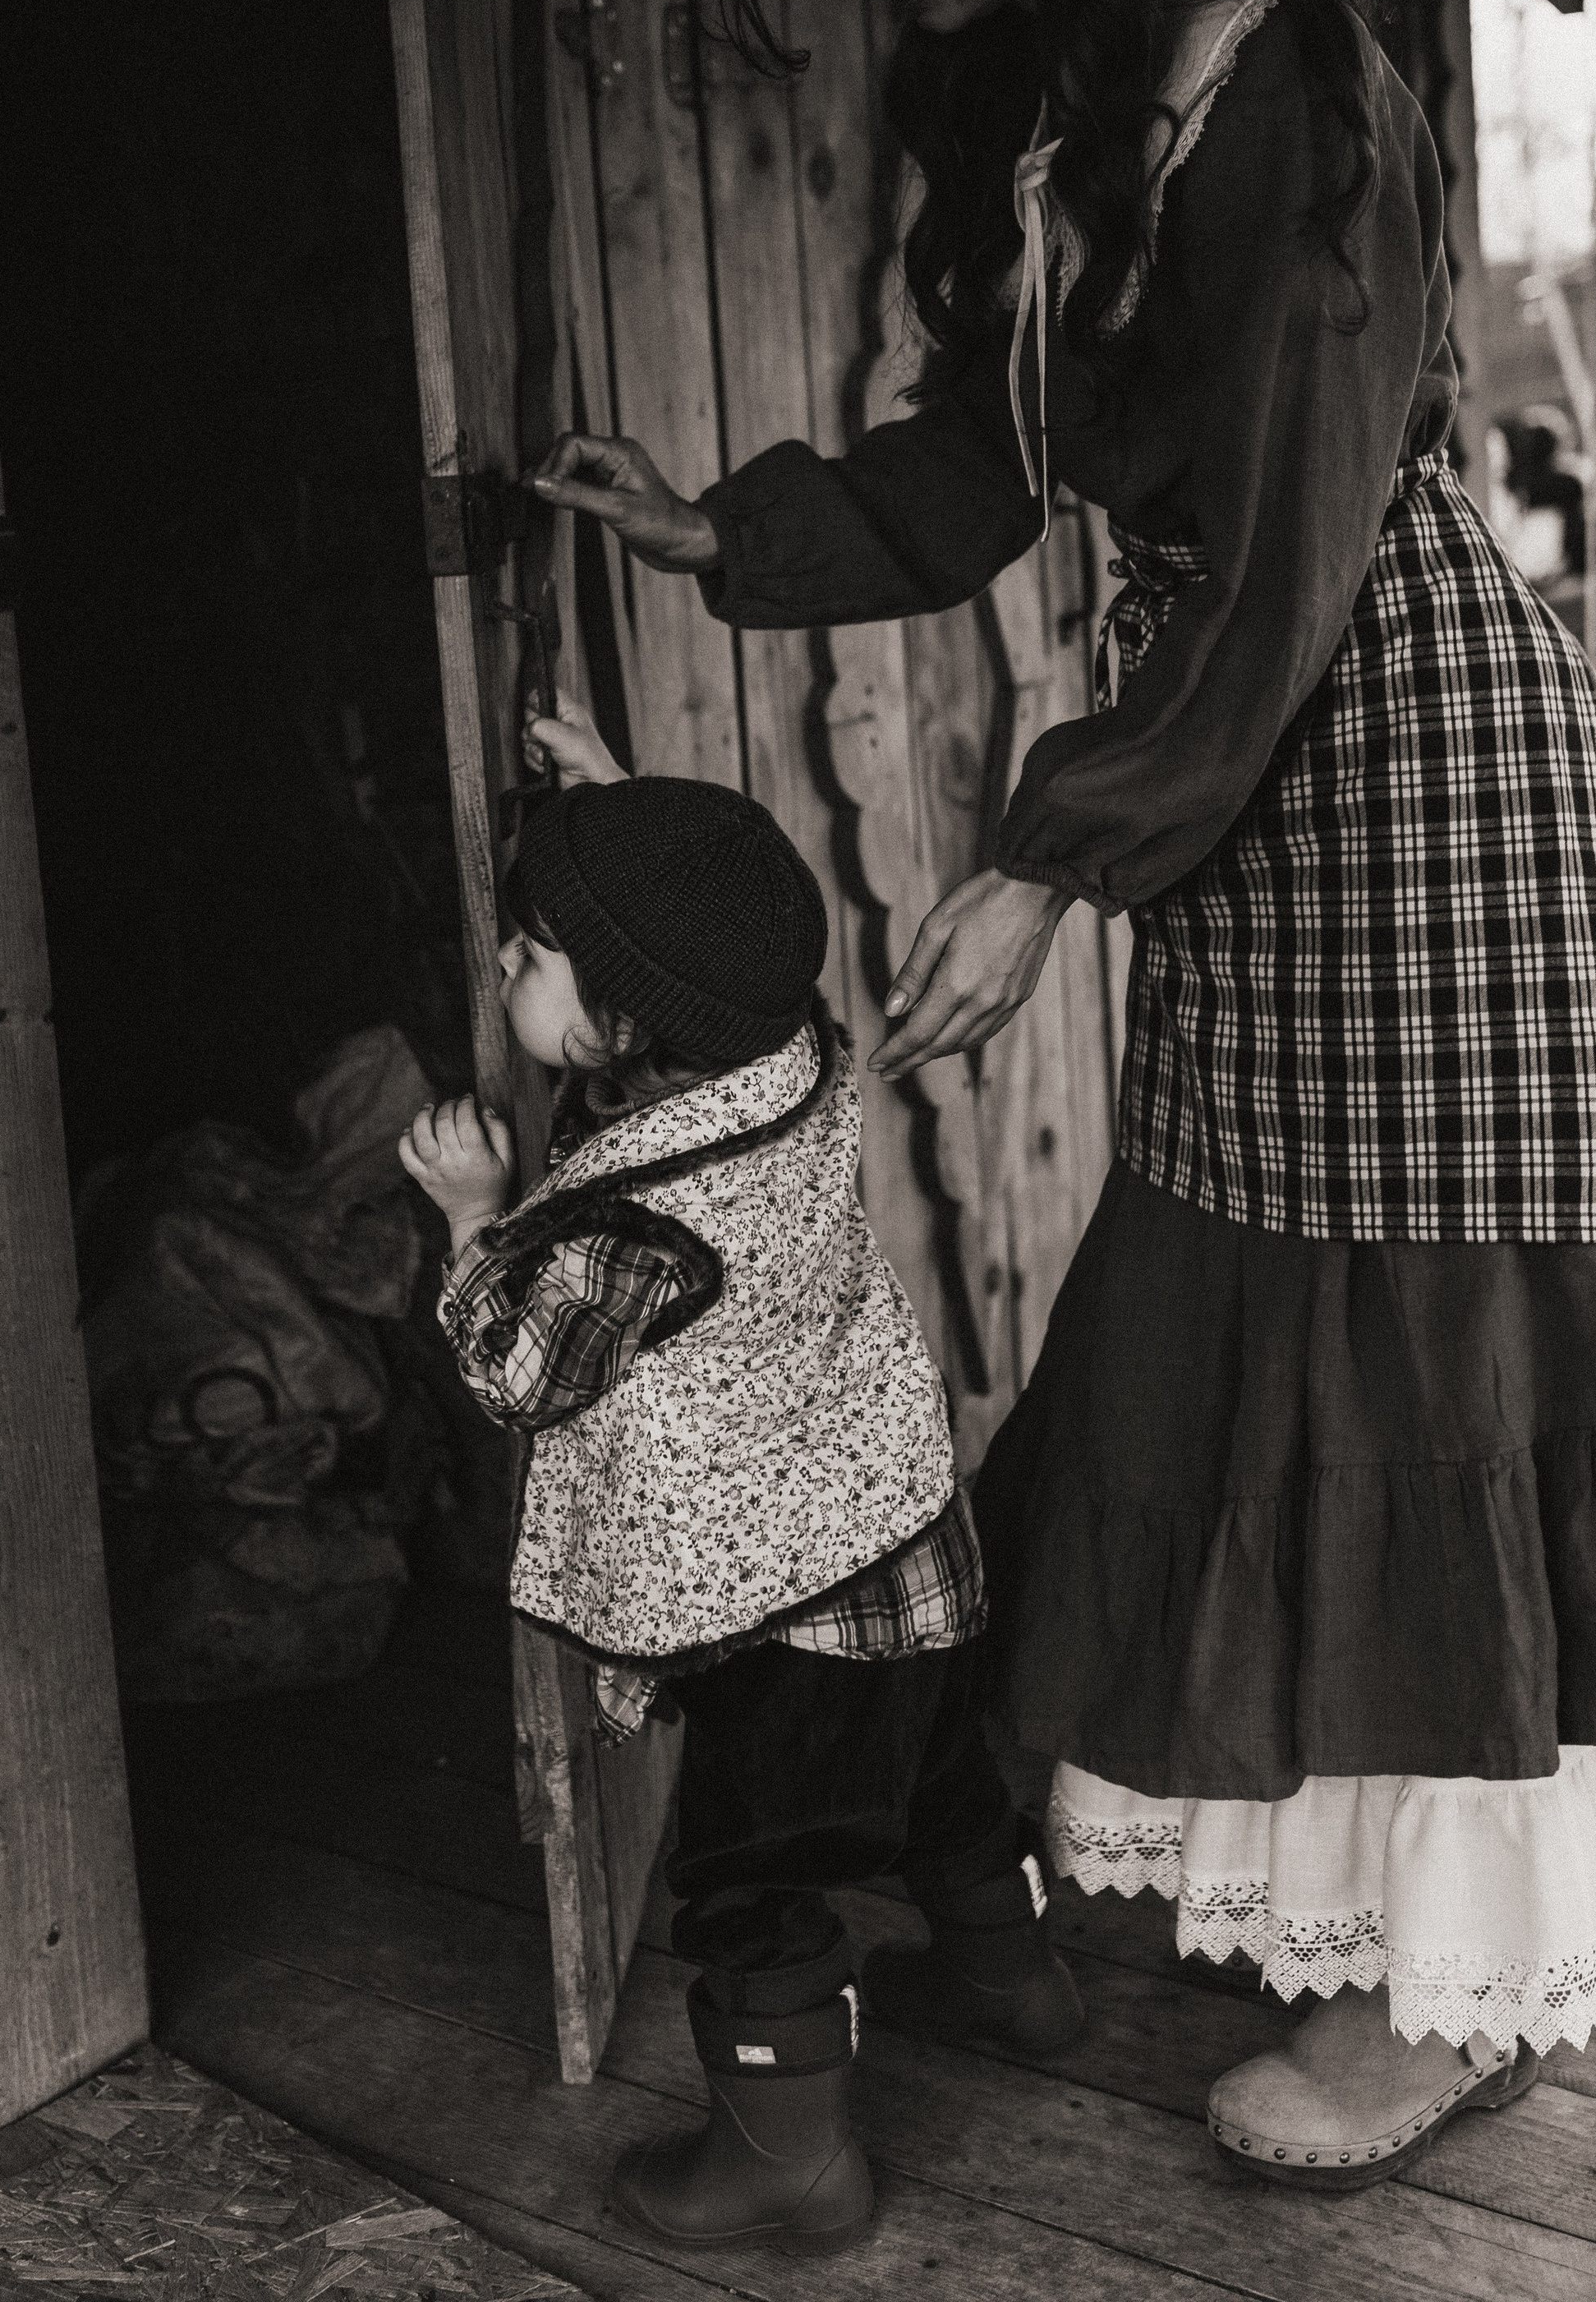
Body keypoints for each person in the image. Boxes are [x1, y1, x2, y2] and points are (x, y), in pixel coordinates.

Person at [531, 0, 1596, 2190]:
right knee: (1255, 1322)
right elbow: (986, 465)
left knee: (1430, 1354)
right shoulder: (1043, 110)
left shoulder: (1280, 71)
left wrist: (1052, 851)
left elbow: (1300, 526)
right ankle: (1339, 1907)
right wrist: (731, 533)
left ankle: (1453, 1984)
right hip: (1231, 769)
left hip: (1401, 757)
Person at [398, 698, 1079, 2256]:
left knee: (754, 1871)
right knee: (941, 1779)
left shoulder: (636, 1224)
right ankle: (1018, 1986)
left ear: (631, 1024)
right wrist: (622, 816)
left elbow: (524, 1374)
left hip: (772, 1605)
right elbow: (699, 951)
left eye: (529, 953)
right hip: (899, 1531)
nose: (503, 966)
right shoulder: (791, 1054)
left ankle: (795, 2163)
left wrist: (471, 1218)